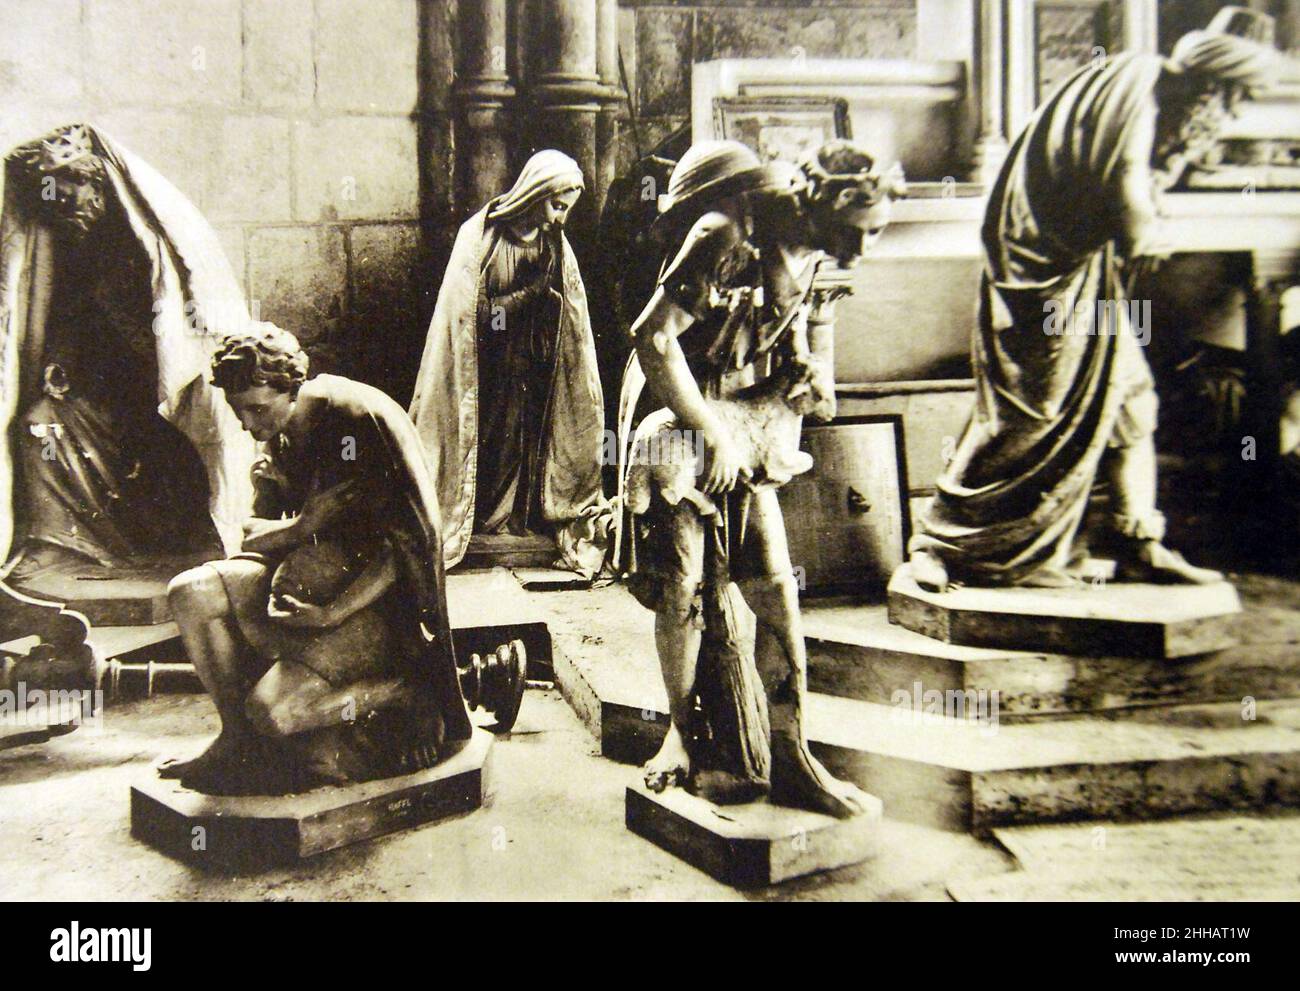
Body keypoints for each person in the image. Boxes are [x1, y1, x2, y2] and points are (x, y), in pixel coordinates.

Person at [906, 7, 1279, 592]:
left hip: (1085, 271)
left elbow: (1136, 179)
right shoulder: (1138, 83)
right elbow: (1126, 178)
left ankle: (1138, 543)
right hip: (1044, 277)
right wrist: (1145, 230)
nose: (1232, 115)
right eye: (1234, 97)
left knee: (1131, 400)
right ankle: (940, 543)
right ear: (1211, 81)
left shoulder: (1157, 100)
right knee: (1028, 417)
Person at [626, 139, 902, 818]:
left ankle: (794, 753)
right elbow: (652, 337)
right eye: (858, 234)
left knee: (775, 587)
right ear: (827, 205)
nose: (862, 252)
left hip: (743, 426)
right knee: (684, 589)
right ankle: (679, 737)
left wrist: (802, 372)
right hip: (679, 423)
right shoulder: (727, 231)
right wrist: (710, 432)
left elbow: (788, 331)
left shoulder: (807, 247)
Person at [162, 326, 472, 795]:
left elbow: (406, 548)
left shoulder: (355, 418)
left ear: (292, 387)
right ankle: (234, 738)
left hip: (370, 609)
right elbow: (249, 536)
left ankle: (399, 694)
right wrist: (302, 527)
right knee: (189, 591)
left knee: (273, 714)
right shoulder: (280, 431)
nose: (248, 425)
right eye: (238, 411)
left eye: (257, 409)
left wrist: (332, 613)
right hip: (301, 585)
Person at [410, 151, 608, 575]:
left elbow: (568, 312)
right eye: (557, 206)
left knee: (524, 443)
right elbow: (479, 315)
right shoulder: (485, 238)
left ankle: (514, 520)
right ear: (536, 194)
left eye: (567, 210)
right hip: (486, 368)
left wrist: (547, 308)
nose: (560, 219)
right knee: (492, 441)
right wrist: (529, 296)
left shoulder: (553, 242)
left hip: (531, 365)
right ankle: (482, 521)